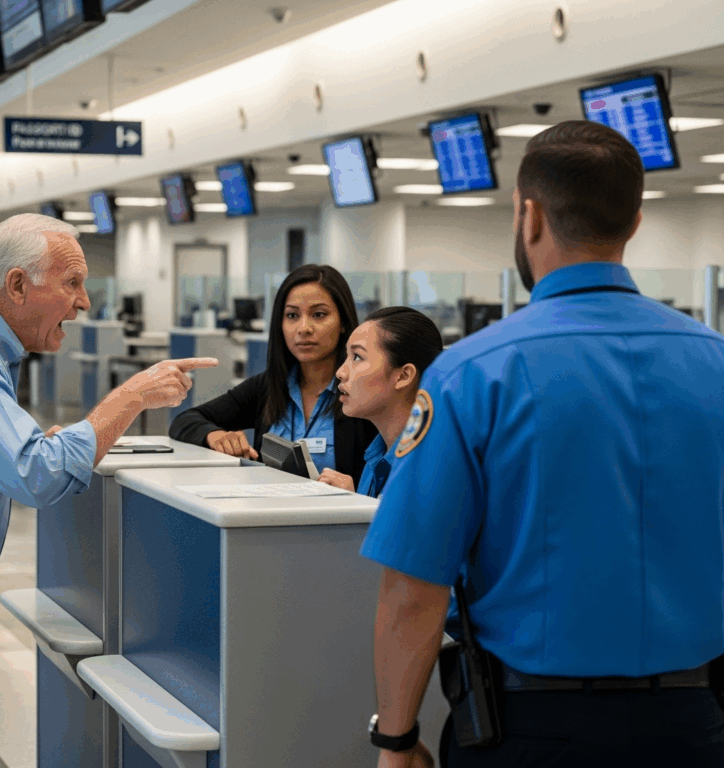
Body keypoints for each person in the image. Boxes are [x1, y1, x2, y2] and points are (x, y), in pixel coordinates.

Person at [360, 120, 724, 768]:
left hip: (528, 730)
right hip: (695, 727)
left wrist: (396, 739)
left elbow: (414, 589)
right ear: (635, 222)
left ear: (529, 217)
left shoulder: (472, 374)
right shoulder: (716, 361)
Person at [0, 213, 217, 766]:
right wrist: (132, 397)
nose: (84, 303)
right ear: (18, 285)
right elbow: (36, 473)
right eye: (72, 282)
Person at [170, 264, 377, 486]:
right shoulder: (268, 387)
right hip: (268, 507)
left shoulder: (364, 390)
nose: (304, 328)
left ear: (343, 322)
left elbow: (395, 475)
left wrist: (359, 493)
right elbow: (184, 421)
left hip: (341, 509)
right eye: (292, 315)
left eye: (319, 314)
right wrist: (216, 436)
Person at [316, 306, 442, 497]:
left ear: (403, 376)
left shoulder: (428, 469)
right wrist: (356, 502)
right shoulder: (377, 454)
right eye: (346, 357)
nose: (340, 372)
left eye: (357, 357)